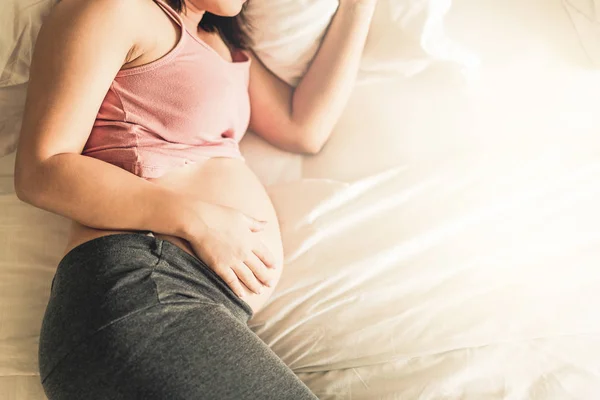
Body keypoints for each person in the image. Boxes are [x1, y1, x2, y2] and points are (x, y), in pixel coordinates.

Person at [14, 0, 376, 398]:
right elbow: (42, 169)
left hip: (180, 301)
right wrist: (198, 221)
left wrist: (360, 6)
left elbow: (304, 128)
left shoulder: (217, 42)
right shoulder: (117, 9)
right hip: (141, 291)